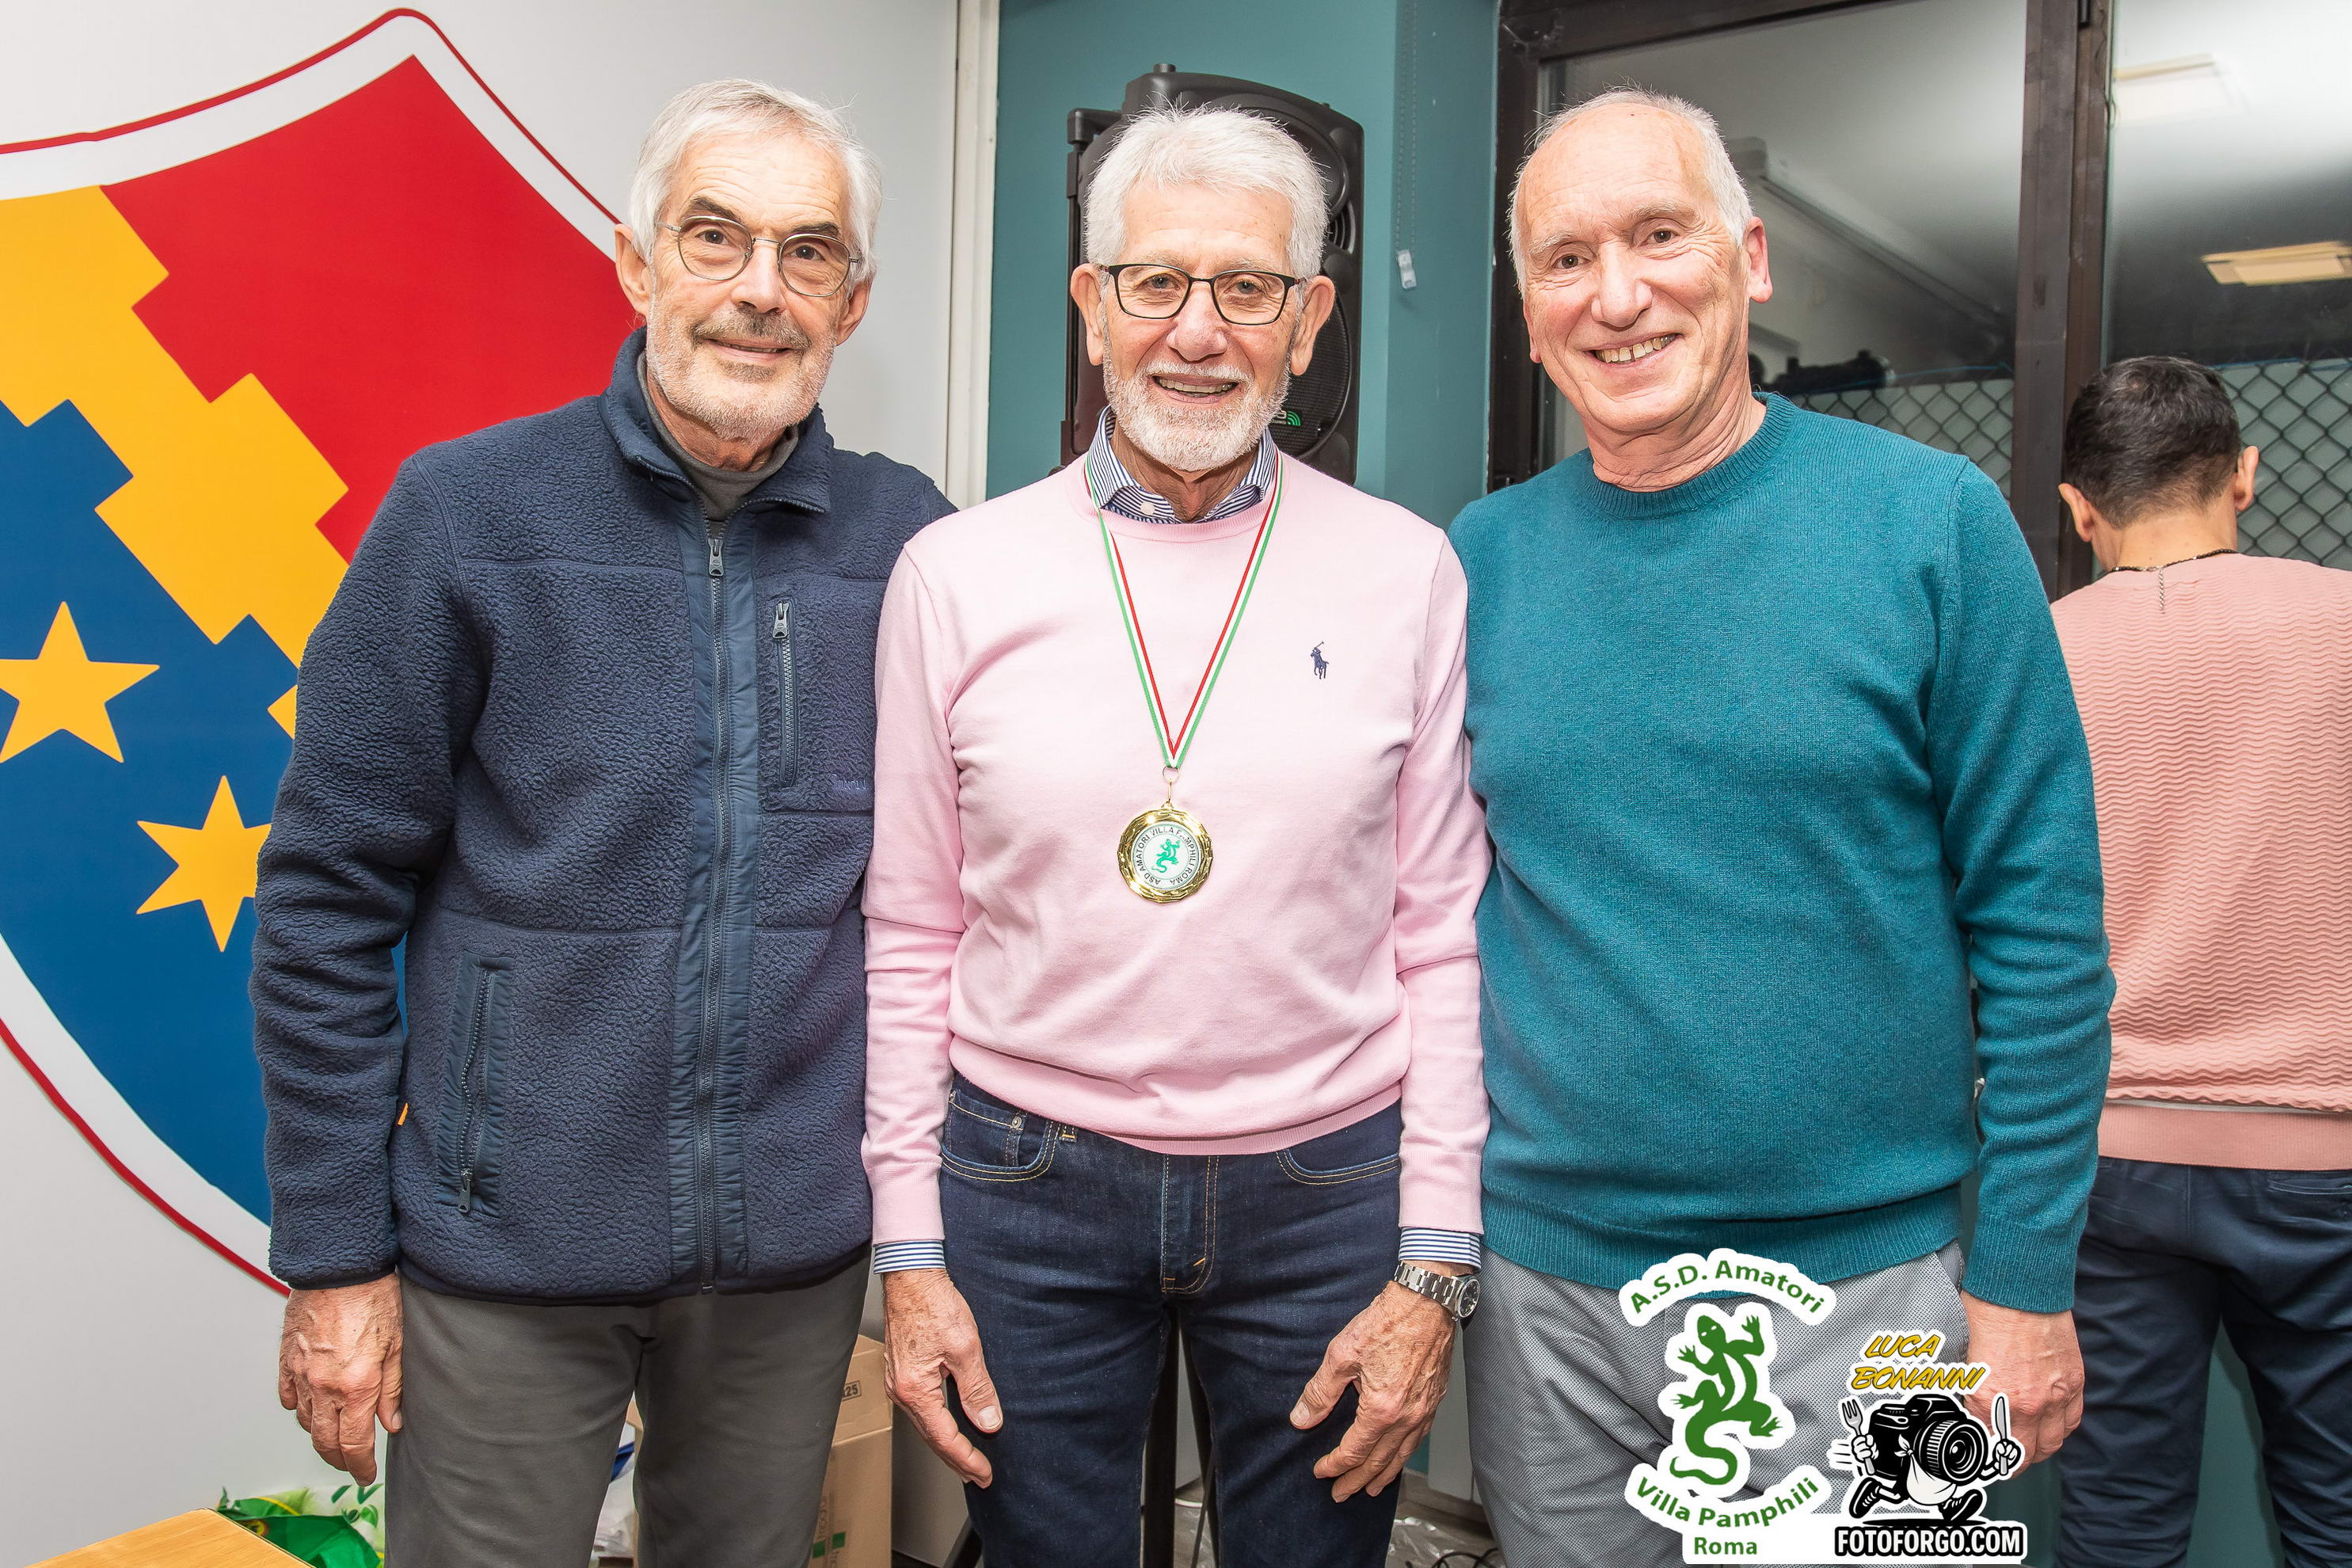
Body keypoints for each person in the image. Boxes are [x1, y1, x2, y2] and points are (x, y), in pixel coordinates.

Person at [251, 79, 952, 1567]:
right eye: (714, 237)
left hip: (789, 1261)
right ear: (635, 265)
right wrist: (334, 1256)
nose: (759, 290)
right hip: (505, 1251)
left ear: (853, 301)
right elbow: (323, 899)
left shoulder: (913, 545)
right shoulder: (466, 515)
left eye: (808, 252)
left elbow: (955, 896)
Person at [1448, 88, 2114, 1566]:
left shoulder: (1932, 524)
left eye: (1659, 235)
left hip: (1882, 1296)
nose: (1616, 296)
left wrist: (2024, 1276)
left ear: (1749, 260)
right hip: (1550, 1298)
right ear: (1530, 309)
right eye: (1566, 259)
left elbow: (2044, 929)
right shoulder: (1476, 562)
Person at [863, 105, 1489, 1566]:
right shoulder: (951, 575)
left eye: (1247, 288)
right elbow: (909, 930)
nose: (1196, 333)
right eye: (1155, 282)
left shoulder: (1408, 572)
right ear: (1092, 308)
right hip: (1021, 1182)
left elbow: (1443, 936)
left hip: (1329, 1187)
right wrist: (907, 1245)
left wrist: (1435, 1258)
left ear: (1308, 323)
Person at [2049, 357, 2352, 1567]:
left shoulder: (2030, 654)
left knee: (2117, 1522)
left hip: (2106, 1158)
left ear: (2078, 509)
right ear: (2243, 476)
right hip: (2328, 1149)